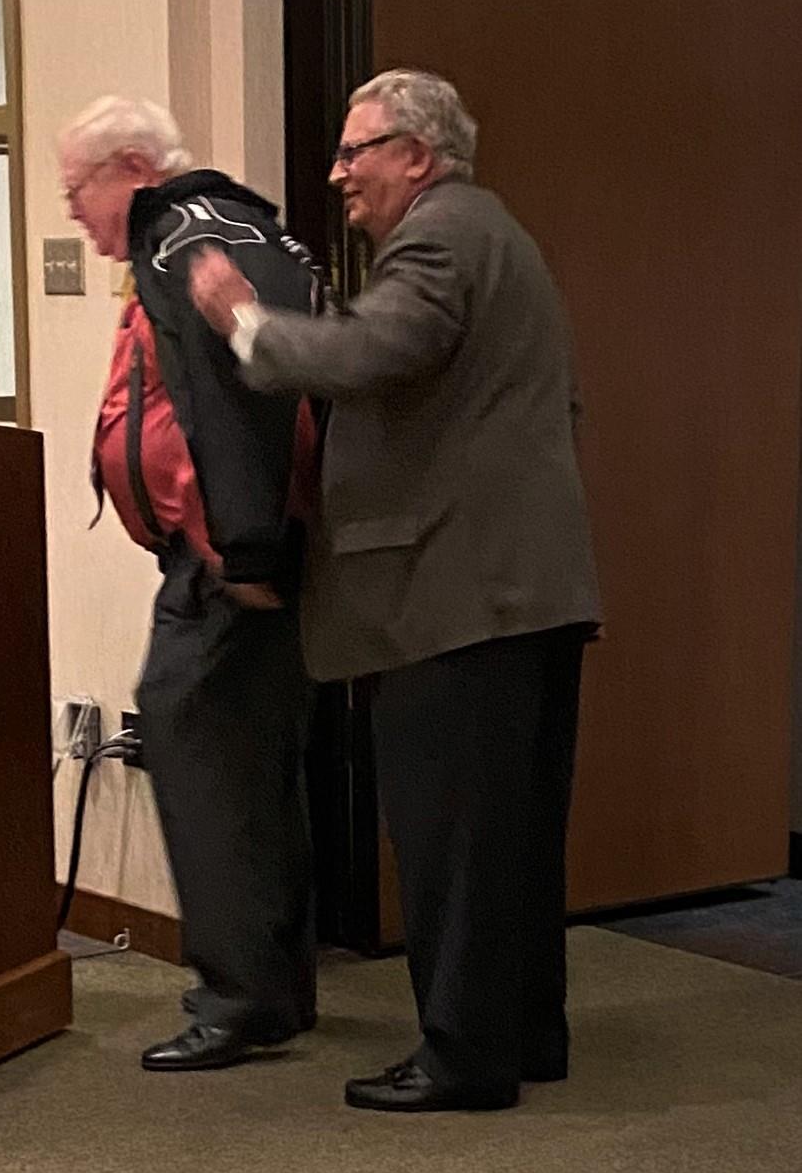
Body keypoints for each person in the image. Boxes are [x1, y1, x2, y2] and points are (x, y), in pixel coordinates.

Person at [189, 68, 602, 1112]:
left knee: (453, 846)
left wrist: (246, 322)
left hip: (457, 599)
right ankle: (520, 1035)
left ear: (416, 154)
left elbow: (373, 352)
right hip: (517, 594)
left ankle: (463, 1058)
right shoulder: (493, 234)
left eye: (354, 151)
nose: (337, 175)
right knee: (507, 843)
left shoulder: (440, 236)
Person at [58, 95, 324, 1071]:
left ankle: (238, 998)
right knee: (245, 763)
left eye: (77, 190)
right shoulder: (211, 231)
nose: (74, 213)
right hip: (225, 551)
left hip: (227, 558)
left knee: (196, 746)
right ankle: (272, 990)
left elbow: (238, 400)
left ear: (132, 167)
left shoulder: (187, 238)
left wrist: (245, 553)